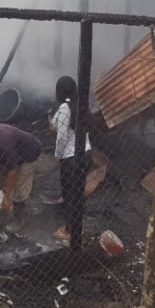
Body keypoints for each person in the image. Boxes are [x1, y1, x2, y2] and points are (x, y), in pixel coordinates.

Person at [49, 76, 95, 244]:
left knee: (70, 195)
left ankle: (69, 230)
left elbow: (61, 137)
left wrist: (57, 155)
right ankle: (76, 224)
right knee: (77, 191)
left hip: (71, 157)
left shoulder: (64, 108)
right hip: (86, 153)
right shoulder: (81, 105)